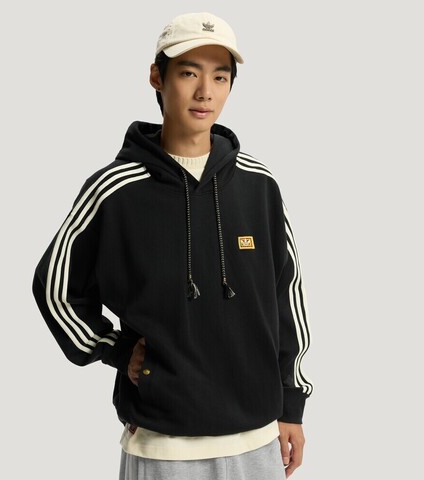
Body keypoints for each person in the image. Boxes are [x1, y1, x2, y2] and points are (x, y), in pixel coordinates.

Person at [32, 11, 314, 480]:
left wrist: (292, 403)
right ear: (156, 78)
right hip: (162, 446)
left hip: (258, 441)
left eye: (220, 77)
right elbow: (55, 289)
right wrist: (116, 349)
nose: (205, 92)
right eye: (188, 73)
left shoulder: (259, 185)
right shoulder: (114, 191)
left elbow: (288, 299)